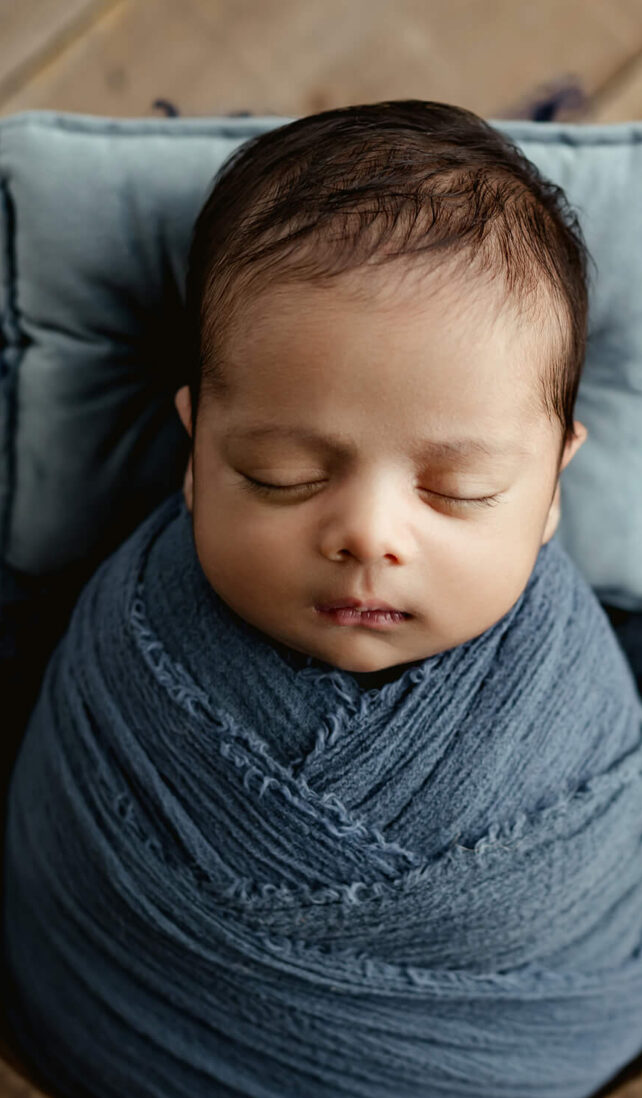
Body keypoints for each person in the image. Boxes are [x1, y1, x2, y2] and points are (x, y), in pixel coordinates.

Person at [171, 98, 592, 687]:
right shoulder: (133, 630)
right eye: (282, 475)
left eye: (461, 489)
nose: (369, 536)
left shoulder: (573, 675)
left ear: (551, 489)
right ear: (195, 456)